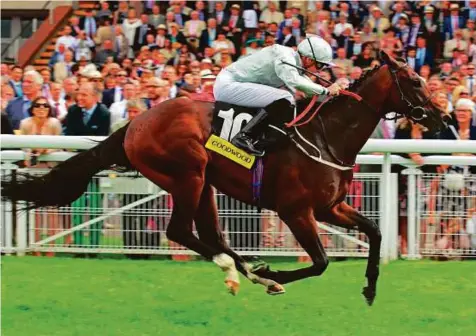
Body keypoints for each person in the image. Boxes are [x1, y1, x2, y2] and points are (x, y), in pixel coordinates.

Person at [213, 36, 343, 156]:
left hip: (236, 85)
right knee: (285, 97)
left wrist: (333, 93)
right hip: (228, 85)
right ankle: (244, 136)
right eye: (320, 65)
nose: (321, 70)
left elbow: (306, 87)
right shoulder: (285, 56)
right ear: (308, 59)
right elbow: (295, 81)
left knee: (287, 99)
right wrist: (325, 91)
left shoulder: (295, 64)